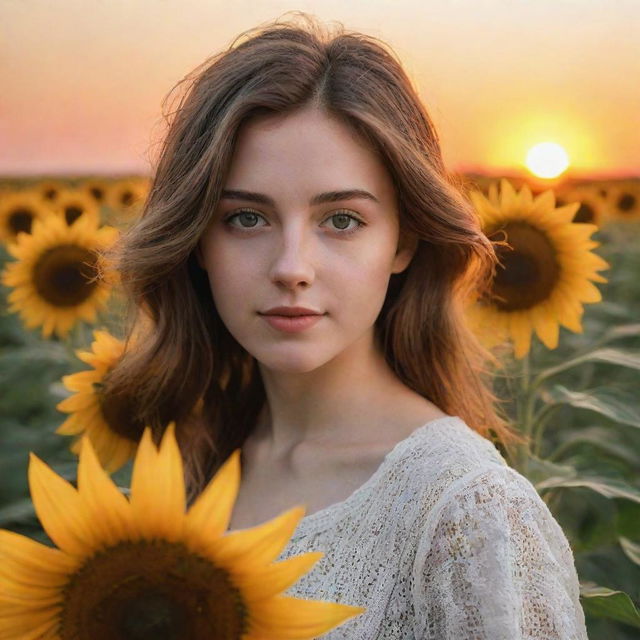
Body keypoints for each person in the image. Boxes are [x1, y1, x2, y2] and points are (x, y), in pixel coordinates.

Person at [104, 12, 589, 639]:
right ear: (197, 240)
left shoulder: (468, 514)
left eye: (342, 220)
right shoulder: (191, 461)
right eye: (247, 219)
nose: (291, 268)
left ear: (404, 242)